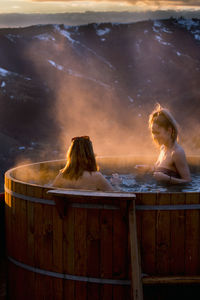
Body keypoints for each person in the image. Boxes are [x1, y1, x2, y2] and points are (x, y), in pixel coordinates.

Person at [135, 104, 191, 184]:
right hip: (160, 191)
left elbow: (188, 182)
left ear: (169, 130)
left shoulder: (177, 152)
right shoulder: (163, 148)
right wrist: (148, 168)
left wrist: (168, 179)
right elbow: (160, 169)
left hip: (171, 195)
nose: (154, 136)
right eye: (153, 132)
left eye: (157, 133)